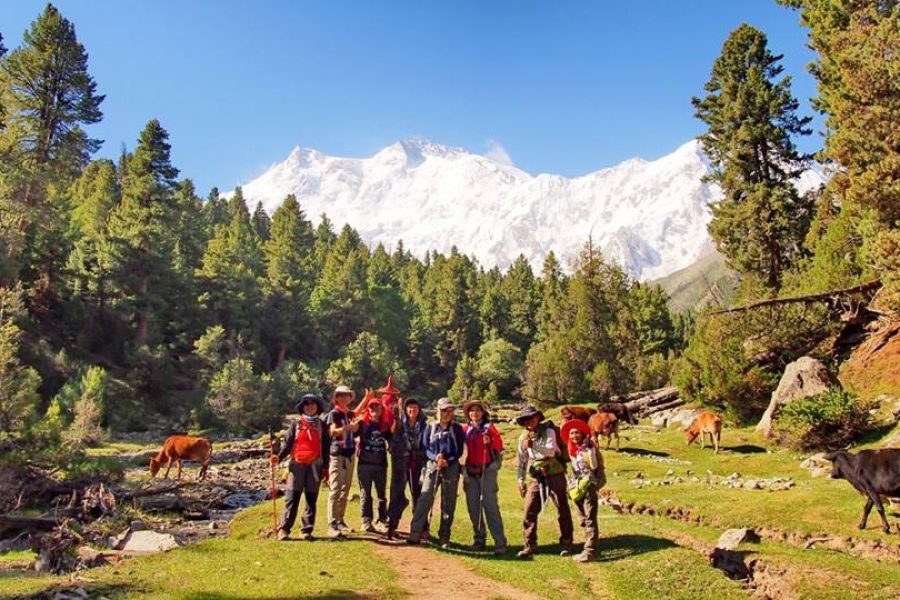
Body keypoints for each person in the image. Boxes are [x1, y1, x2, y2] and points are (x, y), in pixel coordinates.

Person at [515, 405, 574, 558]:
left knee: (562, 508)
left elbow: (551, 450)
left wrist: (533, 445)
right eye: (526, 420)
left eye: (532, 418)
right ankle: (530, 545)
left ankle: (566, 543)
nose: (529, 422)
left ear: (538, 418)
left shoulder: (549, 431)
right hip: (536, 475)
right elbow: (522, 460)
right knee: (529, 510)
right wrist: (520, 480)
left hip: (555, 473)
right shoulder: (522, 438)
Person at [406, 397, 465, 548]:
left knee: (448, 502)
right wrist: (435, 458)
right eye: (445, 410)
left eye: (450, 410)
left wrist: (448, 461)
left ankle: (444, 536)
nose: (448, 413)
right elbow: (425, 448)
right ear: (438, 411)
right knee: (425, 497)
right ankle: (415, 531)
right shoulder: (430, 428)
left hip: (450, 467)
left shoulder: (457, 429)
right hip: (432, 465)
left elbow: (459, 450)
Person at [270, 394, 329, 541]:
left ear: (317, 407)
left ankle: (306, 530)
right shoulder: (295, 425)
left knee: (311, 499)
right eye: (306, 404)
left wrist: (326, 468)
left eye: (313, 404)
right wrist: (278, 457)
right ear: (302, 407)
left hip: (315, 466)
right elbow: (287, 444)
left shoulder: (323, 425)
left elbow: (326, 448)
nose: (309, 406)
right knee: (292, 498)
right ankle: (284, 529)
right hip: (297, 466)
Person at [462, 400, 507, 555]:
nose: (475, 413)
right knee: (473, 508)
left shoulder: (489, 428)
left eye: (478, 410)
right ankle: (479, 540)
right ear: (468, 413)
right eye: (472, 410)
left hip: (486, 472)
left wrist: (490, 442)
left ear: (482, 412)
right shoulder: (464, 429)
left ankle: (500, 542)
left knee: (490, 507)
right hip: (471, 473)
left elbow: (499, 448)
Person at [561, 418, 606, 562]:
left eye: (577, 433)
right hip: (577, 487)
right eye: (572, 434)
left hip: (589, 486)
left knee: (590, 518)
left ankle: (590, 551)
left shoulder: (589, 448)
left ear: (582, 434)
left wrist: (590, 450)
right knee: (582, 519)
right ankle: (591, 547)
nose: (574, 436)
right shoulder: (572, 450)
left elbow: (593, 466)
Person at [387, 397, 426, 539]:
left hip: (417, 464)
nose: (412, 410)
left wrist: (416, 454)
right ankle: (392, 525)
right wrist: (396, 415)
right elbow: (392, 436)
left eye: (415, 407)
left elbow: (426, 446)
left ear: (419, 410)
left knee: (418, 494)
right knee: (396, 494)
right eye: (409, 407)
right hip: (400, 464)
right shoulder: (399, 425)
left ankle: (421, 527)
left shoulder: (424, 426)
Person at [324, 385, 361, 538]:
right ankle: (332, 524)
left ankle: (340, 520)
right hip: (337, 455)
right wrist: (347, 428)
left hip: (350, 455)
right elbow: (332, 431)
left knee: (345, 489)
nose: (345, 398)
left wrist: (367, 398)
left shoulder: (348, 413)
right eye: (342, 395)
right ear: (337, 398)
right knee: (336, 488)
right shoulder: (334, 414)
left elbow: (357, 413)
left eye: (347, 395)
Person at [356, 395, 390, 533]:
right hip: (364, 464)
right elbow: (351, 431)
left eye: (378, 407)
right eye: (372, 407)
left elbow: (394, 436)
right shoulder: (362, 424)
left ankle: (382, 520)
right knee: (366, 494)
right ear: (368, 410)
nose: (375, 409)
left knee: (381, 495)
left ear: (382, 409)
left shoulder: (384, 426)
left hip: (381, 465)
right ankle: (366, 521)